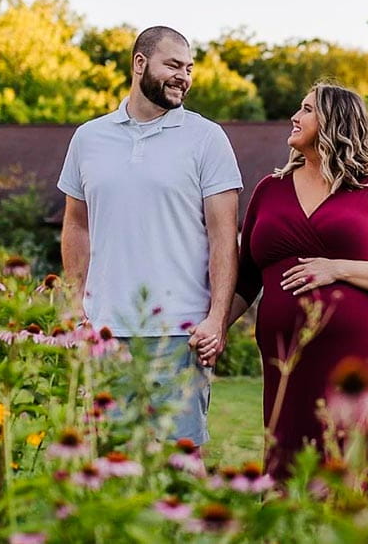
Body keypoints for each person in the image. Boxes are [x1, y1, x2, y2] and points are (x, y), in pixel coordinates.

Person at [206, 83, 368, 478]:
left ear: (334, 122)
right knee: (291, 455)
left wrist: (337, 268)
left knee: (361, 459)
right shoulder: (270, 190)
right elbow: (247, 277)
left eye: (306, 110)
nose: (294, 116)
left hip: (360, 353)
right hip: (288, 358)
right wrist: (215, 327)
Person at [58, 26, 242, 447]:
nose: (184, 76)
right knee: (106, 458)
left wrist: (216, 318)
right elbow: (76, 225)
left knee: (178, 461)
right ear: (140, 64)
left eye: (189, 68)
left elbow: (223, 235)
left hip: (180, 331)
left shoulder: (207, 138)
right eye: (173, 65)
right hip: (105, 329)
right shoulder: (89, 138)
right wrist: (75, 306)